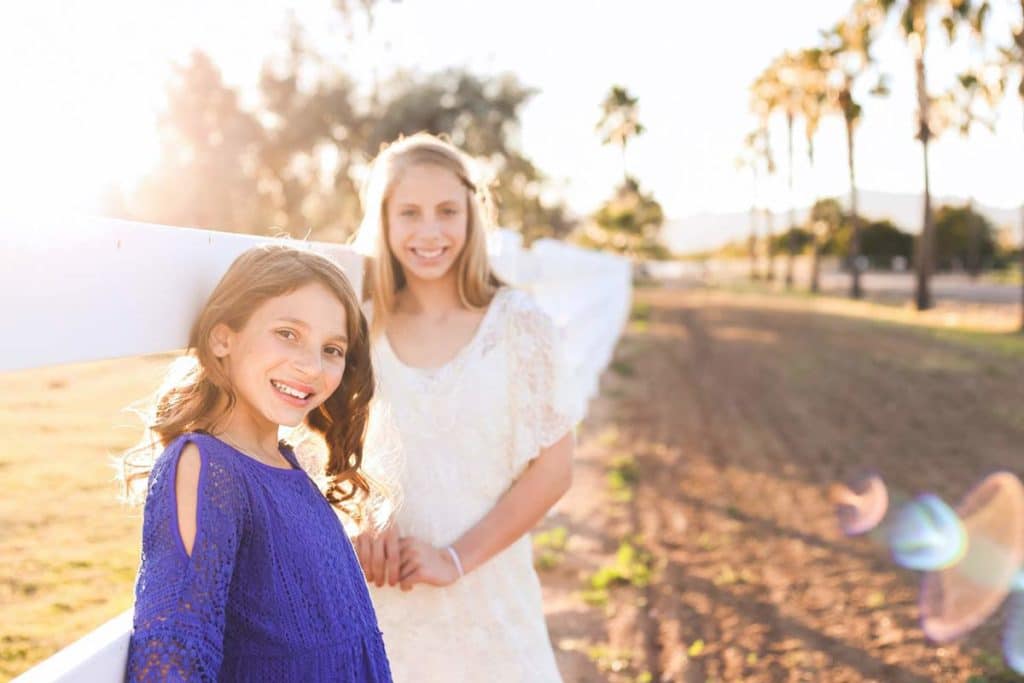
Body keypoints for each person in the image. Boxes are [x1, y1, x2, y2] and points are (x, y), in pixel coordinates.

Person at [350, 133, 577, 681]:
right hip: (383, 599)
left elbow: (554, 470)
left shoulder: (520, 324)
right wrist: (361, 513)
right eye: (409, 213)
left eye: (447, 211)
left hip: (487, 595)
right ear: (383, 220)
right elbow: (329, 443)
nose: (430, 232)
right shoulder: (359, 323)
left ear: (473, 216)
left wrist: (454, 559)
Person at [121, 245, 392, 682]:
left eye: (332, 349)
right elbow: (174, 656)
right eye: (287, 333)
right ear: (222, 338)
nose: (310, 366)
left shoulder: (292, 466)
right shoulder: (206, 468)